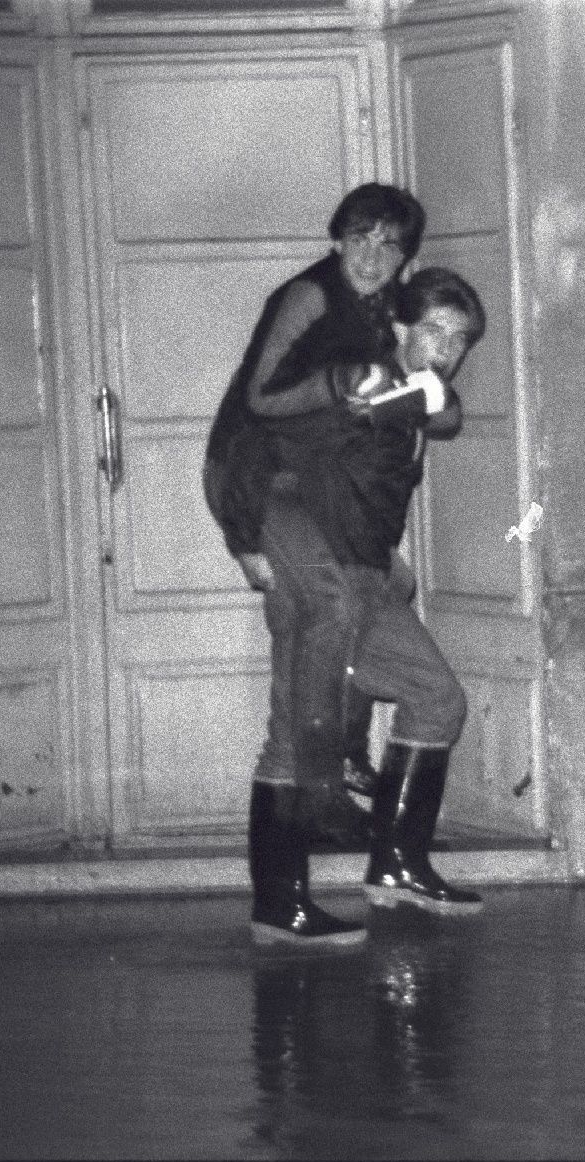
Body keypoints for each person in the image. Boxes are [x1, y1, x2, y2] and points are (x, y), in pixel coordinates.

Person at [203, 183, 424, 947]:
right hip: (265, 480)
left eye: (390, 244)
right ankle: (325, 789)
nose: (373, 255)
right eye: (361, 238)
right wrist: (342, 386)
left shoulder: (377, 317)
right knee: (329, 605)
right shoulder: (308, 295)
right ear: (337, 240)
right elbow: (262, 397)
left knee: (388, 585)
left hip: (317, 493)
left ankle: (284, 891)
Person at [249, 266, 486, 926]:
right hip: (321, 576)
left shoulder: (415, 388)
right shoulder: (361, 385)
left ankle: (391, 866)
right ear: (400, 328)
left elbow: (443, 412)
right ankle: (282, 902)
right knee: (300, 734)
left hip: (359, 574)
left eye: (460, 338)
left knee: (429, 700)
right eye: (433, 330)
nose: (447, 348)